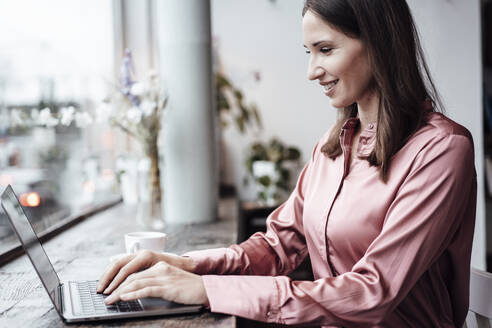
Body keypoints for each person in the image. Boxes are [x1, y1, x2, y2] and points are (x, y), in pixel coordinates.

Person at [97, 0, 477, 327]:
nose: (312, 70)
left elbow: (373, 292)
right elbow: (278, 246)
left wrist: (207, 290)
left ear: (378, 45)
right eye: (308, 52)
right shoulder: (330, 147)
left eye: (325, 50)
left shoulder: (442, 150)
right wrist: (186, 266)